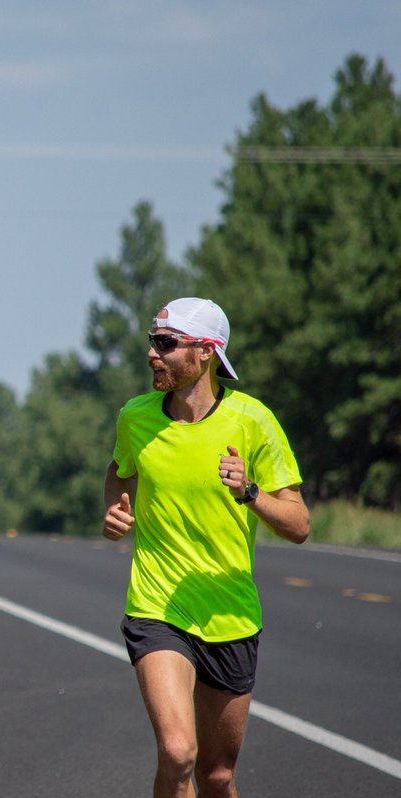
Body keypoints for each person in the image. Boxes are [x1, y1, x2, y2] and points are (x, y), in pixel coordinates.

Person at [102, 297, 310, 798]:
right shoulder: (135, 417)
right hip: (157, 607)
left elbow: (300, 524)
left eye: (165, 344)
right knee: (178, 754)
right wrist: (116, 509)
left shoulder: (252, 421)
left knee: (217, 776)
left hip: (230, 615)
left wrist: (250, 492)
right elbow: (119, 470)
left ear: (206, 352)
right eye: (152, 342)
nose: (152, 354)